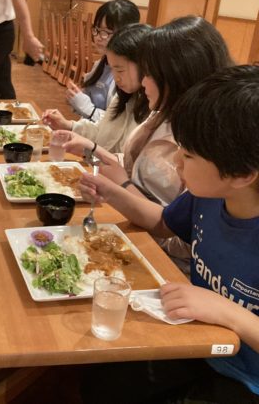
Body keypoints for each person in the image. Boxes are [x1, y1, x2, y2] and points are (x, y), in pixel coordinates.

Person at [80, 65, 259, 404]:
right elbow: (163, 222)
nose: (177, 161)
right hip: (198, 341)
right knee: (102, 380)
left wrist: (228, 311)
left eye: (188, 154)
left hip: (247, 379)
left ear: (242, 174)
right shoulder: (209, 195)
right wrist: (110, 191)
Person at [54, 16, 233, 273]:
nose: (144, 82)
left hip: (162, 258)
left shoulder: (204, 143)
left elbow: (182, 238)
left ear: (177, 76)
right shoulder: (162, 113)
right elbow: (132, 167)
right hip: (133, 226)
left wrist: (123, 186)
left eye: (149, 73)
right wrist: (91, 149)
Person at [42, 23, 151, 153]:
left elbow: (130, 162)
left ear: (144, 66)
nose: (116, 78)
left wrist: (94, 149)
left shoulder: (154, 110)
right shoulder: (123, 96)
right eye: (112, 69)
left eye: (120, 70)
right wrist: (67, 125)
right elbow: (101, 131)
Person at [65, 0, 140, 122]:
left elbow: (118, 125)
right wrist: (76, 98)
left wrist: (86, 107)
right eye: (96, 30)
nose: (99, 37)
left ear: (126, 33)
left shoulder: (129, 75)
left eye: (106, 32)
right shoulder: (101, 64)